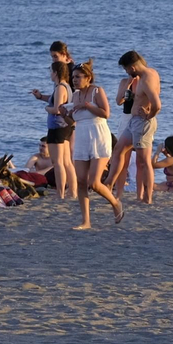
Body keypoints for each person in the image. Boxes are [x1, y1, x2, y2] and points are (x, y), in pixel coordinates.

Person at [68, 60, 123, 229]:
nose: (74, 80)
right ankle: (86, 221)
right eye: (73, 77)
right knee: (81, 180)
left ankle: (115, 203)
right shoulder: (75, 95)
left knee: (94, 182)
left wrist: (87, 105)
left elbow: (106, 113)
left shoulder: (97, 91)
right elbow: (73, 121)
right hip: (82, 135)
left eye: (78, 77)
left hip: (98, 135)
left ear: (88, 77)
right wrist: (66, 113)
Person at [111, 51, 161, 204]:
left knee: (144, 161)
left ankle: (147, 197)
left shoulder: (146, 80)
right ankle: (109, 183)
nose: (126, 72)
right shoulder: (153, 72)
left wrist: (149, 115)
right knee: (119, 149)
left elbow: (157, 104)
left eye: (126, 69)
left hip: (142, 122)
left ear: (132, 67)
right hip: (133, 121)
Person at [33, 61, 75, 201]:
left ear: (56, 72)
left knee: (58, 162)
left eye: (51, 71)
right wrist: (40, 97)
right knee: (67, 161)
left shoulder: (60, 88)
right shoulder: (66, 87)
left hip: (57, 127)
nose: (50, 74)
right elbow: (55, 101)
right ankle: (73, 191)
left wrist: (47, 109)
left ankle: (61, 193)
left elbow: (56, 109)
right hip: (65, 127)